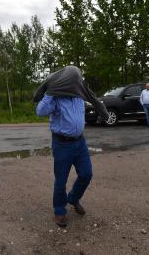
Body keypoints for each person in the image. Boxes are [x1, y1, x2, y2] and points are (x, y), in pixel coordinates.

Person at [34, 65, 108, 228]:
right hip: (62, 144)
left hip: (80, 142)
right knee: (61, 180)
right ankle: (59, 210)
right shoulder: (56, 97)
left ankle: (73, 198)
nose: (77, 81)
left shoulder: (79, 95)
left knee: (86, 174)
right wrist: (50, 92)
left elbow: (93, 98)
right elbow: (40, 111)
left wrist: (102, 111)